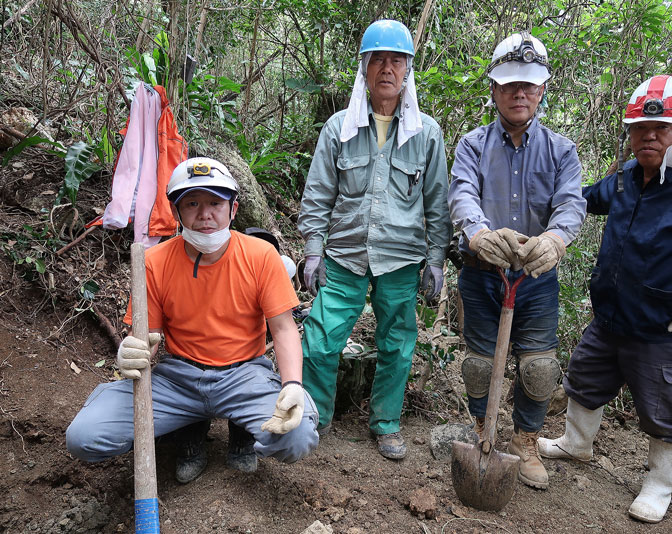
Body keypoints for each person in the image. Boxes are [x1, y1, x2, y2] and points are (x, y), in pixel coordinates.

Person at [538, 75, 672, 522]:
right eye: (640, 128)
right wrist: (547, 202)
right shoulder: (625, 178)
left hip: (667, 328)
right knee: (584, 377)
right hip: (611, 317)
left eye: (660, 129)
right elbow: (584, 200)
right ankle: (577, 444)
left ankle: (660, 485)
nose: (649, 137)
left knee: (669, 407)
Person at [66, 157, 319, 478]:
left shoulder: (261, 255)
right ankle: (187, 430)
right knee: (84, 436)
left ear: (234, 209)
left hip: (244, 376)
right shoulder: (154, 262)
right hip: (179, 379)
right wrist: (132, 351)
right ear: (175, 212)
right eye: (192, 203)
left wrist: (293, 384)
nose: (205, 214)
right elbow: (147, 339)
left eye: (216, 202)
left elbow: (283, 331)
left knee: (297, 436)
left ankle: (242, 435)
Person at [298, 19, 451, 460]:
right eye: (378, 59)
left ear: (407, 70)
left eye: (396, 60)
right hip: (344, 255)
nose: (387, 68)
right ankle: (317, 416)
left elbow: (437, 203)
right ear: (364, 68)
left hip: (401, 259)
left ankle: (385, 423)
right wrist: (312, 251)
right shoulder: (338, 128)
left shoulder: (427, 134)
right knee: (321, 337)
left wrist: (436, 259)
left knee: (397, 344)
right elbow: (318, 194)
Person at [448, 32, 587, 490]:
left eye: (529, 85)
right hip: (482, 273)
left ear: (543, 89)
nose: (519, 93)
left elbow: (570, 205)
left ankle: (526, 440)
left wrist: (556, 239)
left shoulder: (562, 150)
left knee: (540, 367)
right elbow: (463, 192)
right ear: (494, 89)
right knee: (480, 365)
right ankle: (481, 430)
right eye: (509, 85)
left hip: (536, 278)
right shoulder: (471, 145)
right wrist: (479, 232)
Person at [169, 226, 298, 483]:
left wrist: (292, 382)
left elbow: (282, 324)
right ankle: (191, 438)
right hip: (190, 359)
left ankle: (242, 440)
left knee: (248, 376)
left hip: (243, 358)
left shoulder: (270, 265)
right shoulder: (191, 263)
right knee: (188, 377)